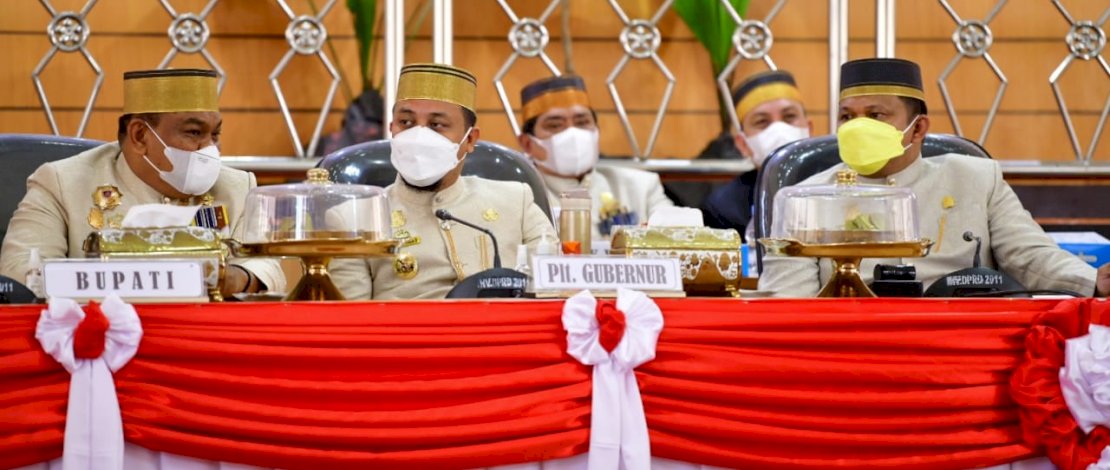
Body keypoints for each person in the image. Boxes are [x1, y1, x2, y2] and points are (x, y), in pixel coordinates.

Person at [759, 58, 1110, 297]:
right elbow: (785, 299)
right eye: (847, 116)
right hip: (851, 343)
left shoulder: (976, 178)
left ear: (918, 129)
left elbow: (1029, 256)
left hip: (959, 339)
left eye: (875, 115)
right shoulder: (804, 196)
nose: (856, 127)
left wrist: (1093, 280)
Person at [0, 69, 285, 298]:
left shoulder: (236, 186)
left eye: (215, 135)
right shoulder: (61, 182)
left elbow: (270, 269)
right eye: (194, 132)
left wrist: (234, 278)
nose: (209, 148)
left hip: (205, 343)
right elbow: (21, 271)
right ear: (139, 136)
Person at [328, 63, 556, 300]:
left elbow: (553, 295)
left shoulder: (516, 201)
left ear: (470, 140)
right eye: (406, 122)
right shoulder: (352, 219)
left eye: (437, 125)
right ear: (392, 130)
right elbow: (352, 324)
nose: (419, 136)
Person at [516, 75, 673, 241]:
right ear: (527, 143)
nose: (572, 134)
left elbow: (676, 240)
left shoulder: (641, 186)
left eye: (582, 122)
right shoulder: (518, 195)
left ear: (597, 132)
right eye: (555, 125)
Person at [701, 70, 812, 241]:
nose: (779, 130)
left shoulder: (834, 188)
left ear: (809, 128)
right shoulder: (723, 208)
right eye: (762, 122)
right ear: (743, 144)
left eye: (789, 117)